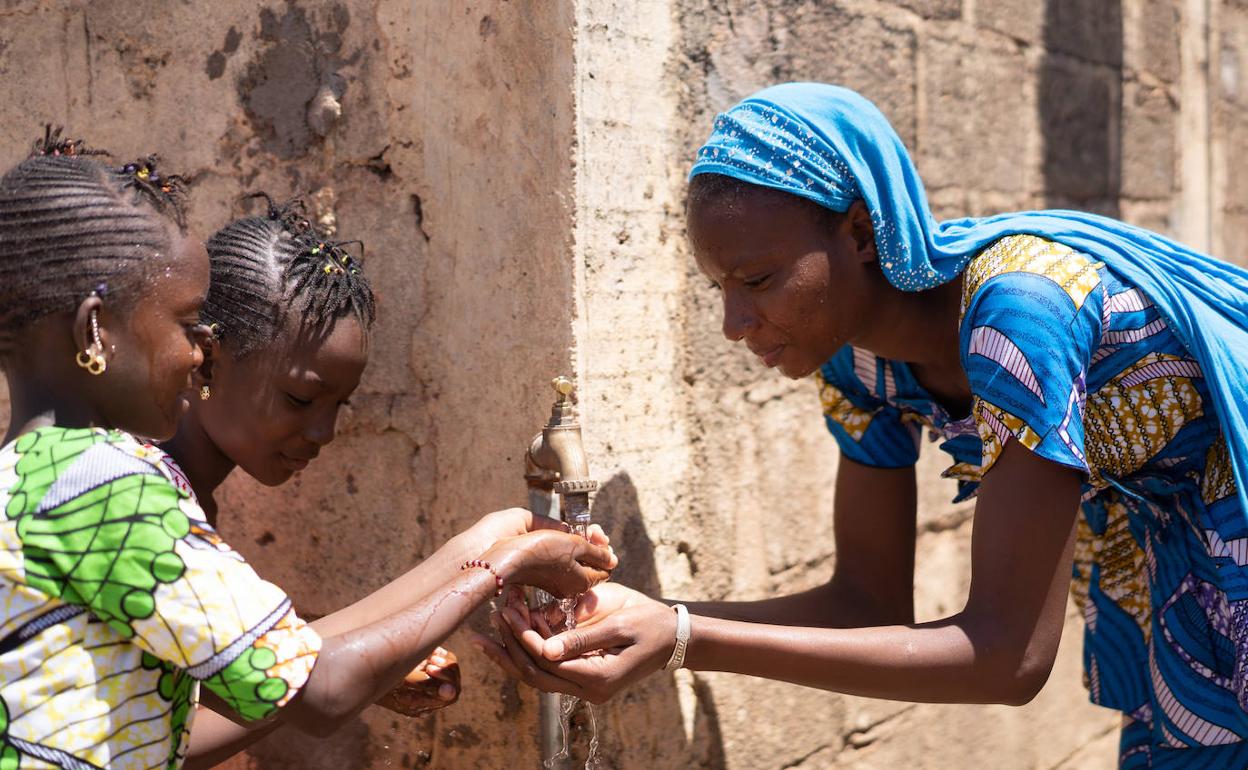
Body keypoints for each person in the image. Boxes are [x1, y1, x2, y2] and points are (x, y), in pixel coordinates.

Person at [481, 83, 1248, 767]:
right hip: (1187, 588)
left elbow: (1008, 658)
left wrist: (683, 639)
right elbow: (867, 606)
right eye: (720, 288)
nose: (734, 322)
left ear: (856, 233)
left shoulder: (1022, 314)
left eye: (757, 280)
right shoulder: (861, 368)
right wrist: (647, 622)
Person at [0, 133, 615, 770]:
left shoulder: (35, 478)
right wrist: (502, 564)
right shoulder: (111, 487)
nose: (195, 352)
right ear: (94, 329)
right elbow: (320, 689)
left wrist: (483, 542)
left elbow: (187, 720)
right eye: (187, 328)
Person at [151, 199, 461, 766]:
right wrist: (489, 557)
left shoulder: (179, 489)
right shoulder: (146, 498)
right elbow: (178, 740)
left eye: (339, 406)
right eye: (300, 399)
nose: (324, 432)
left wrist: (349, 662)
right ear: (209, 361)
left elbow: (192, 693)